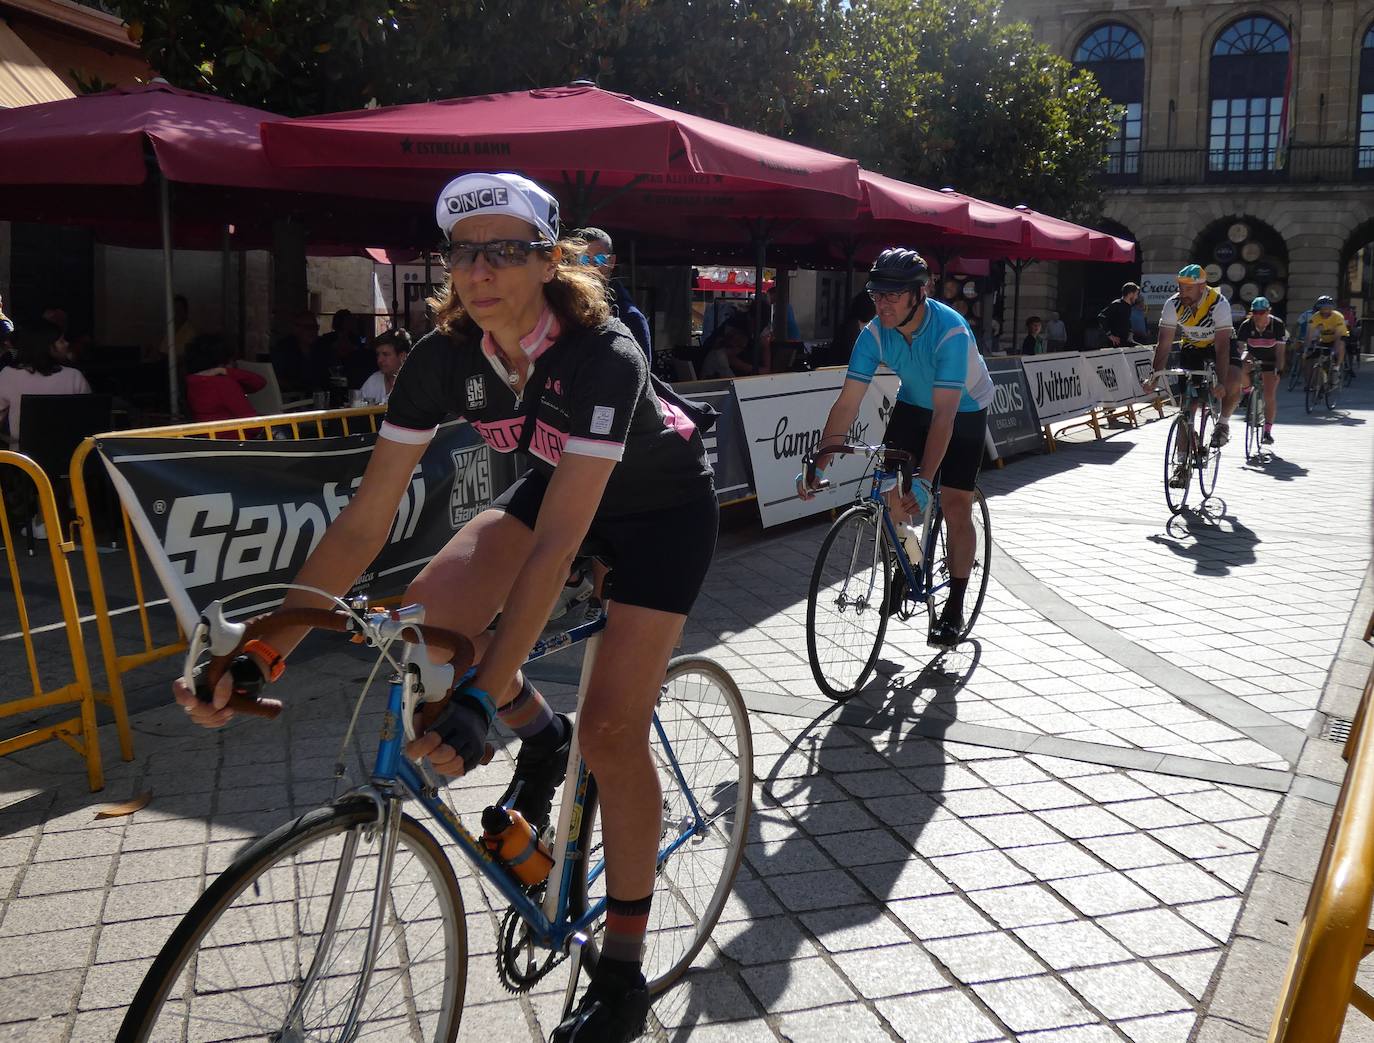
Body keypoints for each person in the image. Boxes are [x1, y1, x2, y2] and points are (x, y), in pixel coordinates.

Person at [173, 171, 718, 1043]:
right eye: (465, 251)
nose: (481, 268)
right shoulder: (441, 359)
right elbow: (364, 520)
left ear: (549, 261)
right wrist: (264, 649)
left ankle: (621, 966)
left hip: (659, 514)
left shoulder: (602, 351)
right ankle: (539, 737)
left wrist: (475, 700)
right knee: (423, 629)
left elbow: (556, 547)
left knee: (613, 729)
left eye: (506, 250)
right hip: (555, 490)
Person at [798, 248, 993, 648]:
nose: (882, 304)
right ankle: (909, 558)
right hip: (913, 405)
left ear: (918, 294)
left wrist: (924, 479)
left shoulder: (951, 332)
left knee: (955, 504)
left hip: (964, 410)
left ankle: (954, 606)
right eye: (877, 295)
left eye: (892, 295)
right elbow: (847, 403)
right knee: (890, 491)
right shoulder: (874, 333)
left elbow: (945, 418)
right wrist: (820, 460)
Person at [1150, 264, 1237, 486]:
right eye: (1180, 287)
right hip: (1192, 346)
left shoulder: (1218, 304)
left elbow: (1222, 349)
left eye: (1188, 289)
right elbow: (1164, 344)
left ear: (1202, 287)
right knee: (1186, 409)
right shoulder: (1173, 304)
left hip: (1218, 344)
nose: (1183, 292)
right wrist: (1154, 376)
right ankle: (1182, 465)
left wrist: (1220, 381)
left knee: (1232, 380)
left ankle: (1223, 423)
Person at [0, 319, 91, 445]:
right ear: (45, 346)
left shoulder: (8, 374)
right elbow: (89, 419)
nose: (66, 344)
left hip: (22, 460)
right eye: (61, 341)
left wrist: (12, 440)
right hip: (69, 454)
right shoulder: (74, 376)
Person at [574, 227, 652, 363]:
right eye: (584, 260)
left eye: (599, 259)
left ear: (612, 261)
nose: (591, 267)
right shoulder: (565, 307)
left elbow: (643, 377)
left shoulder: (630, 317)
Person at [184, 334, 267, 434]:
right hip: (234, 440)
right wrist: (225, 371)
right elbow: (252, 425)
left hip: (210, 439)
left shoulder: (193, 382)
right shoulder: (223, 384)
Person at [1235, 297, 1287, 445]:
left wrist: (1279, 369)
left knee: (1269, 395)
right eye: (1255, 312)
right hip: (1253, 354)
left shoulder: (1277, 325)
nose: (1258, 315)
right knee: (1240, 367)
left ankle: (1267, 432)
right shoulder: (1246, 325)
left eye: (1262, 312)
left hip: (1270, 359)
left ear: (1268, 311)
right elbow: (1240, 348)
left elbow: (1280, 351)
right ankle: (1246, 392)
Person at [309, 308, 375, 393]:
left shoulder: (355, 339)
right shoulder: (327, 339)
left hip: (352, 377)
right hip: (332, 378)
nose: (352, 323)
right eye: (348, 320)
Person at [357, 328, 412, 403]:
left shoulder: (414, 384)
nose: (379, 360)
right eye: (378, 355)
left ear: (402, 356)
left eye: (385, 354)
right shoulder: (373, 381)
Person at [270, 310, 318, 394]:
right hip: (293, 398)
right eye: (307, 327)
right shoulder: (284, 348)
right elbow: (276, 378)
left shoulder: (320, 347)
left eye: (315, 327)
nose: (312, 331)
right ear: (296, 329)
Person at [1305, 295, 1349, 386]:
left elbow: (1338, 336)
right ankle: (1313, 382)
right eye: (1322, 308)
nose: (1325, 311)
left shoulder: (1338, 317)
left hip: (1338, 337)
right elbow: (1310, 334)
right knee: (1312, 355)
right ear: (1319, 308)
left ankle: (1337, 367)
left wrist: (1335, 350)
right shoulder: (1315, 317)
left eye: (1328, 308)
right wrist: (1307, 348)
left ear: (1331, 308)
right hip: (1324, 338)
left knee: (1340, 344)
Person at [1098, 282, 1141, 347]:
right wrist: (1110, 335)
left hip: (1125, 342)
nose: (1137, 297)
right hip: (1116, 344)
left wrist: (1130, 332)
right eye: (1136, 294)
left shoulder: (1128, 306)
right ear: (1130, 294)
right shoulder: (1117, 304)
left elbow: (1125, 321)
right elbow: (1101, 317)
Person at [157, 294, 197, 361]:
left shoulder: (191, 331)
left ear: (185, 311)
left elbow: (182, 356)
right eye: (175, 309)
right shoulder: (170, 329)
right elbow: (162, 350)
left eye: (179, 308)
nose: (177, 312)